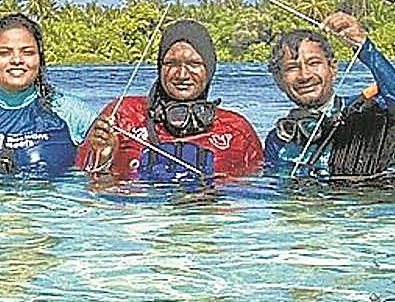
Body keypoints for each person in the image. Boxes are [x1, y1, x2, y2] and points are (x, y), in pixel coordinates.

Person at [76, 19, 262, 183]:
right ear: (159, 67)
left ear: (210, 69)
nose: (181, 74)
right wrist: (102, 158)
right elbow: (84, 185)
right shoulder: (122, 115)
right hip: (137, 218)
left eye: (194, 64)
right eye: (171, 63)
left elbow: (257, 191)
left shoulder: (237, 129)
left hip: (207, 217)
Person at [264, 12, 395, 180]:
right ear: (278, 80)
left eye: (314, 63)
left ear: (333, 68)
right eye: (292, 68)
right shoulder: (278, 140)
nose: (305, 75)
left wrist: (365, 47)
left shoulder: (371, 109)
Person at [0, 13, 96, 177]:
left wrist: (108, 151)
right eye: (4, 53)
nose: (17, 60)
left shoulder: (73, 113)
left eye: (27, 52)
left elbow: (105, 172)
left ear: (39, 60)